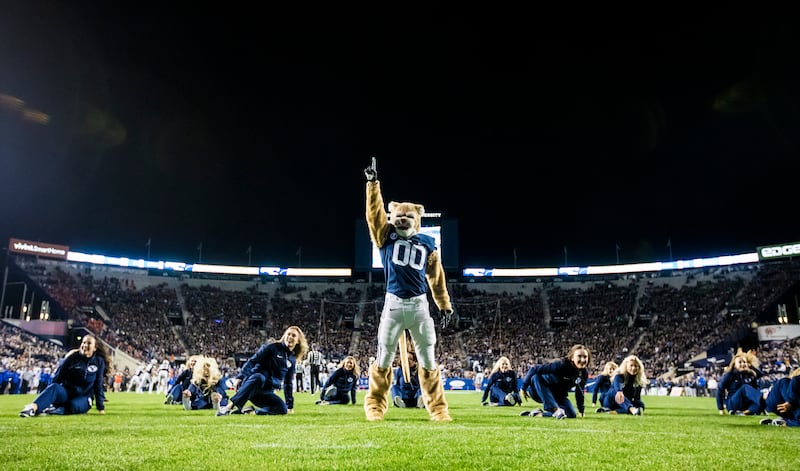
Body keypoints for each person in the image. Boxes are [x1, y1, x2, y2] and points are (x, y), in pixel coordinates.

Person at [362, 157, 454, 422]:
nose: (401, 219)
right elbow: (374, 215)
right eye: (398, 215)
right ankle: (376, 406)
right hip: (393, 305)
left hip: (419, 306)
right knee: (384, 357)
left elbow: (436, 277)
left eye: (407, 216)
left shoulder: (427, 242)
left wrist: (444, 304)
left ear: (418, 218)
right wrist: (373, 185)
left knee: (427, 359)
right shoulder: (385, 235)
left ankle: (438, 409)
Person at [219, 326, 309, 416]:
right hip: (252, 385)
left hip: (265, 393)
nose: (290, 337)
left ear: (298, 341)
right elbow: (253, 361)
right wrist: (240, 377)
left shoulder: (292, 360)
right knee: (259, 377)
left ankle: (250, 412)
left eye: (293, 335)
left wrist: (290, 406)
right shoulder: (272, 348)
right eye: (288, 334)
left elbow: (288, 383)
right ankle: (228, 407)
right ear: (284, 336)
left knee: (281, 408)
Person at [20, 334, 111, 417]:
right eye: (83, 342)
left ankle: (58, 410)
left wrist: (100, 407)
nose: (85, 345)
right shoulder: (72, 357)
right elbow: (59, 376)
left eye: (89, 343)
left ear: (95, 348)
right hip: (67, 393)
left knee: (74, 405)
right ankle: (32, 408)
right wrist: (52, 395)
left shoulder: (99, 361)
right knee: (54, 387)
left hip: (84, 396)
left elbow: (98, 385)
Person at [519, 344, 591, 419]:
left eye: (585, 357)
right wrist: (523, 388)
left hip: (558, 395)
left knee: (571, 415)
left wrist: (581, 410)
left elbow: (580, 392)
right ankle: (555, 409)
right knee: (536, 377)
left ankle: (537, 414)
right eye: (579, 356)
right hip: (539, 390)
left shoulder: (584, 373)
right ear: (572, 358)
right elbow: (534, 369)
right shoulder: (561, 365)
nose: (582, 360)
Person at [716, 348, 765, 416]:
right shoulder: (729, 375)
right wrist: (721, 408)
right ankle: (763, 400)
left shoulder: (750, 375)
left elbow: (760, 375)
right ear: (734, 364)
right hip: (733, 402)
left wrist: (751, 368)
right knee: (745, 388)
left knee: (758, 403)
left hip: (746, 404)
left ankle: (744, 412)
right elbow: (720, 390)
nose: (742, 364)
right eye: (740, 362)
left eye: (744, 362)